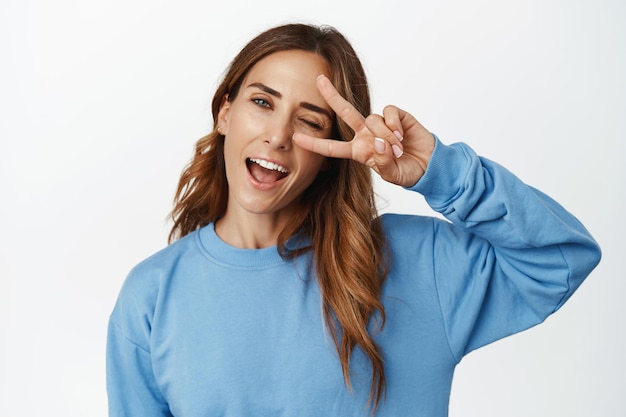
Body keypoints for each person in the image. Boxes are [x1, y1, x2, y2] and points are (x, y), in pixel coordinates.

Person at [106, 23, 601, 416]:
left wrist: (441, 172)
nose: (278, 135)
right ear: (225, 114)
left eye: (309, 120)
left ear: (332, 151)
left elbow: (560, 258)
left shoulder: (415, 263)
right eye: (262, 102)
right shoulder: (151, 296)